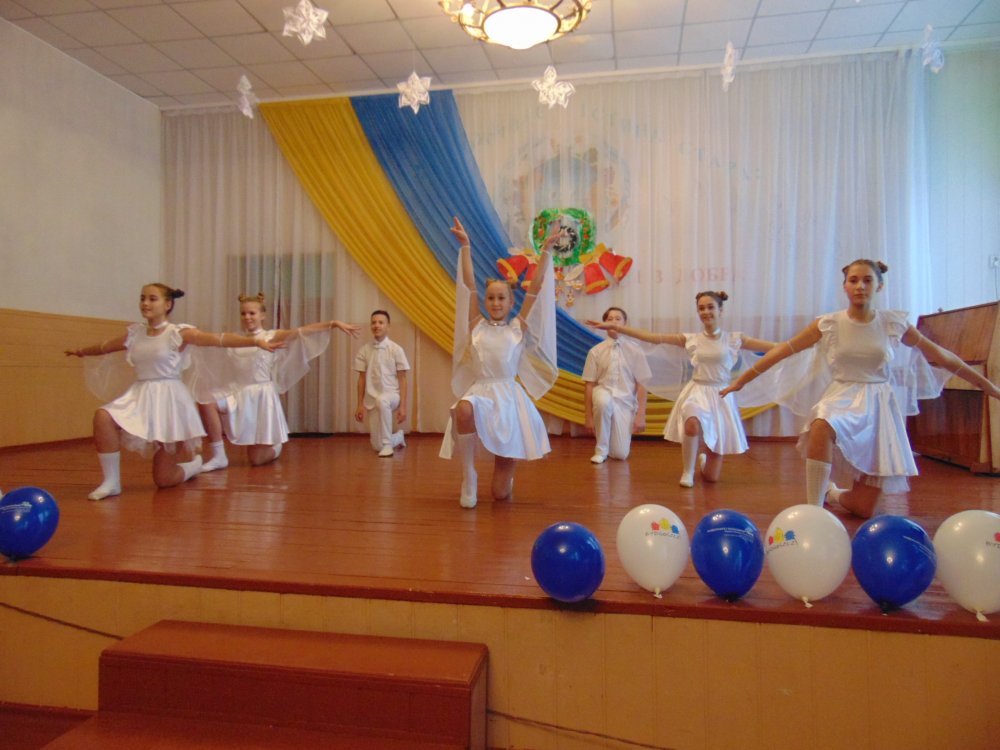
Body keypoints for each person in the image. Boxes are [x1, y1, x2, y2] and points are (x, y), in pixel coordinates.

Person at [721, 259, 1000, 518]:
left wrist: (989, 387)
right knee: (821, 424)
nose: (860, 286)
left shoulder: (892, 323)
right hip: (841, 396)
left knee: (863, 508)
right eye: (853, 280)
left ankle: (832, 493)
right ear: (844, 286)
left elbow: (942, 356)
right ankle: (814, 512)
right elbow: (784, 350)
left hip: (879, 406)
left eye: (867, 280)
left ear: (879, 286)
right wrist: (741, 381)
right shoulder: (828, 323)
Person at [65, 283, 283, 501]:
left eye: (152, 299)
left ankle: (194, 465)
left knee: (164, 479)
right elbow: (105, 346)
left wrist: (254, 341)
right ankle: (111, 482)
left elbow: (218, 339)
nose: (145, 303)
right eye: (142, 298)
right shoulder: (135, 333)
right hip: (139, 395)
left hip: (170, 401)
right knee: (103, 417)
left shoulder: (178, 333)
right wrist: (81, 351)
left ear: (167, 304)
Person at [589, 291, 776, 487]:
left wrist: (796, 346)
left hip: (721, 395)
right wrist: (616, 327)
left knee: (712, 477)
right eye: (701, 308)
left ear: (720, 310)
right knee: (691, 423)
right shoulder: (691, 339)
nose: (706, 312)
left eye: (710, 307)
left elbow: (774, 347)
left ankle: (703, 461)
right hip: (697, 392)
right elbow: (653, 338)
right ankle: (688, 471)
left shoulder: (735, 339)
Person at [439, 216, 558, 508]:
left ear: (510, 302)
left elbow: (536, 287)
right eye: (491, 298)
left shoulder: (518, 327)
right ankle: (468, 475)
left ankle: (506, 477)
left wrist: (546, 250)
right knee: (463, 409)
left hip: (508, 398)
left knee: (500, 494)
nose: (495, 303)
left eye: (501, 298)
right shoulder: (476, 325)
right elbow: (468, 285)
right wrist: (465, 246)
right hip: (481, 392)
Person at [196, 293, 360, 471]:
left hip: (260, 395)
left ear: (262, 315)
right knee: (205, 400)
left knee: (256, 459)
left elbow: (301, 331)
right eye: (243, 313)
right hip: (237, 392)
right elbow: (211, 340)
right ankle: (219, 456)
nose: (247, 317)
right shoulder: (236, 338)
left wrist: (333, 324)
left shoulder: (271, 336)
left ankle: (276, 446)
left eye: (252, 313)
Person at [583, 306, 650, 464]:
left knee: (620, 454)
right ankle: (601, 450)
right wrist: (588, 417)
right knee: (603, 402)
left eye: (618, 319)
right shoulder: (595, 351)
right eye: (610, 319)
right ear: (604, 324)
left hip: (625, 401)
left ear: (625, 323)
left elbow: (642, 383)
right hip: (603, 392)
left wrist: (641, 415)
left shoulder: (635, 350)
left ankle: (611, 444)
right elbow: (589, 385)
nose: (613, 322)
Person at [354, 310, 410, 457]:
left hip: (392, 396)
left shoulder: (396, 349)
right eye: (374, 322)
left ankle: (387, 445)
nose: (377, 325)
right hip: (372, 398)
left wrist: (403, 407)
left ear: (388, 326)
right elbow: (361, 379)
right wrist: (359, 404)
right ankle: (397, 437)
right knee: (376, 446)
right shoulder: (364, 350)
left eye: (381, 322)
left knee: (383, 400)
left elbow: (403, 379)